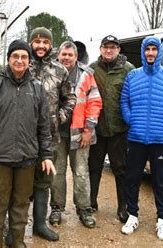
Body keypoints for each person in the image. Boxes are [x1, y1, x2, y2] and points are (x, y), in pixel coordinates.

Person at [0, 39, 55, 248]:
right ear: (8, 59)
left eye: (24, 57)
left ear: (29, 60)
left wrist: (46, 155)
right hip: (0, 157)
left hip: (27, 158)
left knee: (20, 204)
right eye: (15, 56)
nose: (19, 60)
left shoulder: (37, 88)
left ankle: (17, 241)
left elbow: (44, 127)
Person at [120, 36, 163, 241]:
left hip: (160, 139)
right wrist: (131, 119)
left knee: (160, 182)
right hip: (136, 138)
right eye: (147, 49)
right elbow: (124, 101)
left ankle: (162, 220)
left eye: (154, 49)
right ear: (142, 52)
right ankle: (132, 215)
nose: (150, 53)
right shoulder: (133, 76)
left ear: (159, 52)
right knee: (132, 179)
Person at [29, 27, 76, 242]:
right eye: (37, 41)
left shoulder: (60, 70)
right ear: (31, 43)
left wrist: (59, 117)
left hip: (50, 138)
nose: (40, 45)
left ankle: (40, 224)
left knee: (44, 181)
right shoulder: (20, 64)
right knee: (19, 182)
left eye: (45, 42)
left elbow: (70, 99)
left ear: (51, 45)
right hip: (22, 137)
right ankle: (16, 227)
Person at [49, 41, 102, 228]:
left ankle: (84, 209)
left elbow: (94, 102)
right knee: (57, 172)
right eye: (64, 54)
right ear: (58, 55)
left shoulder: (86, 74)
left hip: (80, 134)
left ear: (76, 56)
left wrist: (89, 129)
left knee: (80, 173)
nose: (67, 58)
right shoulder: (50, 72)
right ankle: (56, 208)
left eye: (70, 55)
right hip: (56, 133)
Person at [88, 35, 135, 223]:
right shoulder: (92, 69)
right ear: (100, 49)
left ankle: (122, 207)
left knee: (121, 169)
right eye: (105, 47)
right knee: (94, 167)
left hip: (119, 130)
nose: (109, 50)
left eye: (113, 47)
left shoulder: (128, 70)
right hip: (97, 129)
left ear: (118, 50)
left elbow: (134, 98)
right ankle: (91, 202)